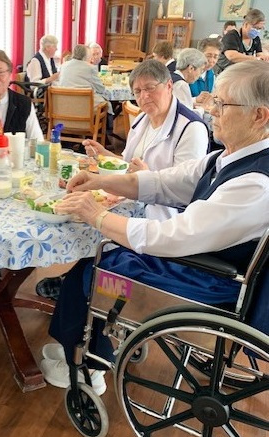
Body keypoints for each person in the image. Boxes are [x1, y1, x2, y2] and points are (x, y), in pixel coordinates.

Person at [38, 60, 269, 394]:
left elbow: (172, 236)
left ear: (259, 115)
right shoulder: (229, 157)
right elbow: (163, 181)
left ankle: (87, 366)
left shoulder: (255, 183)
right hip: (203, 260)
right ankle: (100, 342)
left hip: (210, 280)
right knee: (101, 256)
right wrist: (101, 181)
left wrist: (97, 216)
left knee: (94, 269)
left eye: (222, 104)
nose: (212, 111)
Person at [81, 59, 209, 221]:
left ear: (169, 86)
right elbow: (129, 166)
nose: (144, 96)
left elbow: (185, 189)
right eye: (137, 91)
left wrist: (146, 177)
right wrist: (105, 154)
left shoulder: (191, 129)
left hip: (165, 219)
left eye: (150, 88)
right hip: (133, 200)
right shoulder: (143, 119)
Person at [58, 44, 113, 115]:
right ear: (86, 56)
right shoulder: (90, 68)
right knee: (106, 104)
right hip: (85, 106)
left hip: (66, 105)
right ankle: (108, 123)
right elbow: (100, 89)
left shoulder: (63, 66)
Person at [215, 8, 269, 74]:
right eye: (255, 28)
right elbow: (232, 56)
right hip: (224, 72)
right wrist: (255, 59)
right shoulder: (231, 36)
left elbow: (259, 54)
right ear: (246, 24)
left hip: (240, 71)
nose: (257, 31)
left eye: (259, 29)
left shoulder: (256, 39)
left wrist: (264, 58)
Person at [189, 38, 222, 105]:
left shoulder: (212, 75)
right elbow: (176, 99)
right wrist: (195, 99)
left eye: (215, 57)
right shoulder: (188, 72)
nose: (212, 60)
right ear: (199, 54)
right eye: (208, 56)